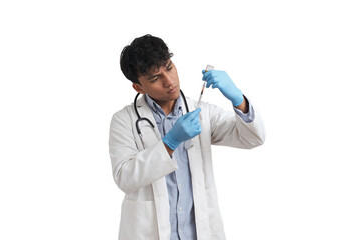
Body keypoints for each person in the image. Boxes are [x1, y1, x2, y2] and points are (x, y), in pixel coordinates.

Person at [109, 34, 265, 240]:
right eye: (155, 78)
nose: (169, 81)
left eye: (169, 67)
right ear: (139, 87)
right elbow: (125, 178)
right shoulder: (124, 120)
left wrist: (238, 99)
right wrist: (169, 142)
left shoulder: (201, 112)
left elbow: (253, 138)